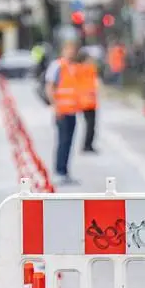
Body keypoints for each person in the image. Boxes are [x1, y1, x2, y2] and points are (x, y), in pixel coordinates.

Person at [44, 40, 83, 185]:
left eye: (74, 50)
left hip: (72, 111)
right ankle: (59, 171)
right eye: (69, 49)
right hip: (61, 111)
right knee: (62, 142)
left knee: (69, 143)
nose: (72, 53)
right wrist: (55, 107)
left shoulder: (74, 67)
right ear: (63, 50)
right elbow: (50, 87)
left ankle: (65, 171)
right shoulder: (57, 66)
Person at [74, 50, 100, 153]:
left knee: (89, 124)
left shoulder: (76, 69)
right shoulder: (88, 69)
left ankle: (87, 144)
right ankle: (87, 145)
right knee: (90, 124)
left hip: (85, 100)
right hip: (87, 101)